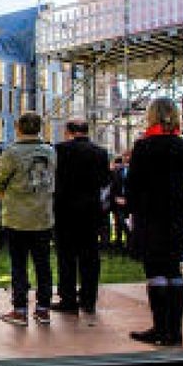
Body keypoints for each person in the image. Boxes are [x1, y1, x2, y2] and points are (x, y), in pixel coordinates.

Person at [126, 98, 183, 346]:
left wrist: (131, 212)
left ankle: (160, 327)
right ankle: (174, 331)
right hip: (175, 211)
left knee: (155, 270)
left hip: (149, 212)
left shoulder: (144, 146)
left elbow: (133, 184)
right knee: (173, 269)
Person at [0, 112, 57, 327]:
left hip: (17, 218)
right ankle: (43, 309)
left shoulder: (12, 152)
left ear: (18, 128)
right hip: (42, 216)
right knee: (43, 264)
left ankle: (20, 310)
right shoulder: (50, 151)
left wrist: (4, 194)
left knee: (19, 264)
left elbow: (0, 181)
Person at [52, 119, 111, 316]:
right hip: (90, 212)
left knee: (66, 256)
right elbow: (105, 181)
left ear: (69, 132)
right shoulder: (101, 152)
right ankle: (89, 299)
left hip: (65, 211)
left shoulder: (59, 150)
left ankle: (68, 299)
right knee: (90, 257)